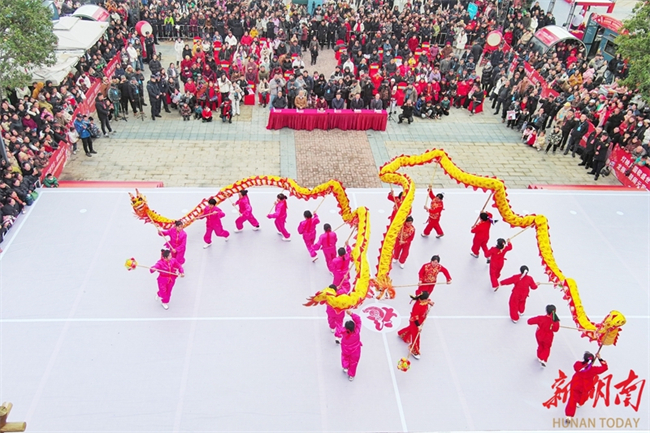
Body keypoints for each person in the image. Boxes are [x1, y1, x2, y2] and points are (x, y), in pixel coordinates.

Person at [564, 352, 609, 422]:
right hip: (585, 387)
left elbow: (576, 367)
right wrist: (600, 358)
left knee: (572, 399)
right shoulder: (593, 370)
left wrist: (584, 362)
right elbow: (605, 368)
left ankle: (569, 416)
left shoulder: (578, 365)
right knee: (583, 398)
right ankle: (579, 403)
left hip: (575, 385)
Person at [397, 291, 434, 359]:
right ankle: (414, 349)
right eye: (426, 299)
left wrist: (429, 302)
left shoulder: (424, 301)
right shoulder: (417, 306)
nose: (427, 300)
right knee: (416, 336)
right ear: (422, 299)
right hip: (415, 322)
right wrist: (418, 326)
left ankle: (402, 334)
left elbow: (427, 301)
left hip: (420, 320)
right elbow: (415, 317)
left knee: (411, 329)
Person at [335, 310, 362, 381]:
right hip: (356, 351)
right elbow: (358, 321)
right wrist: (351, 314)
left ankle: (345, 367)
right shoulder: (357, 331)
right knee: (354, 362)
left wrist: (338, 312)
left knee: (344, 357)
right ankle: (351, 375)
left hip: (345, 349)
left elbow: (338, 326)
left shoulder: (343, 331)